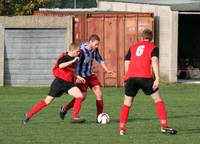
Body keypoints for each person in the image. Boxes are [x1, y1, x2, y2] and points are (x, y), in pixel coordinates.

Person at [119, 29, 177, 135]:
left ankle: (122, 128)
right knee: (157, 99)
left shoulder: (132, 47)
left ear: (141, 38)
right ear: (152, 39)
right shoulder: (153, 47)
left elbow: (127, 62)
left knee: (127, 103)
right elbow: (154, 61)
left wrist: (127, 77)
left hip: (131, 78)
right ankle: (164, 125)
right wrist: (157, 78)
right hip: (145, 77)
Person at [22, 42, 85, 124]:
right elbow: (61, 66)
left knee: (79, 96)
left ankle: (75, 116)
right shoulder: (65, 57)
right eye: (77, 51)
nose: (79, 53)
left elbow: (70, 71)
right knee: (47, 101)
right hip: (59, 83)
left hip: (69, 83)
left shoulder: (74, 58)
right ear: (72, 50)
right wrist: (73, 60)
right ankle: (28, 115)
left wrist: (78, 77)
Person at [59, 34, 114, 121]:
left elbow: (99, 59)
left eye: (98, 44)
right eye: (96, 44)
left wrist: (107, 70)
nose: (97, 46)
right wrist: (76, 75)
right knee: (82, 97)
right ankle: (65, 108)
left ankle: (99, 117)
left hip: (90, 75)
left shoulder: (95, 50)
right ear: (90, 42)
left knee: (99, 93)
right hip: (81, 76)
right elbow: (73, 61)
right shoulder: (81, 51)